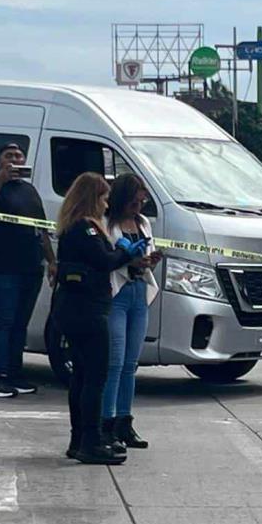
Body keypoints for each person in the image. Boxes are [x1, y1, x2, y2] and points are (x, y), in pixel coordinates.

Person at [52, 172, 148, 465]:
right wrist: (124, 252)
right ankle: (91, 439)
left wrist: (125, 255)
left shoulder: (76, 227)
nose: (107, 205)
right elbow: (103, 261)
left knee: (82, 375)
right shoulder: (86, 229)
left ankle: (79, 437)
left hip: (77, 307)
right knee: (96, 374)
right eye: (104, 198)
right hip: (87, 309)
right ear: (91, 199)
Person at [0, 142, 56, 398]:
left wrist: (51, 261)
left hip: (31, 267)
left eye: (18, 155)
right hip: (4, 268)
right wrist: (0, 179)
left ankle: (15, 372)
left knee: (20, 324)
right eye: (9, 155)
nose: (15, 159)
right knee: (3, 321)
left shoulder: (30, 190)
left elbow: (41, 228)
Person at [103, 174, 162, 450]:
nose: (138, 206)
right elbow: (107, 259)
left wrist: (150, 261)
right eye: (134, 201)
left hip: (139, 289)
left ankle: (125, 421)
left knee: (130, 364)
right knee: (114, 362)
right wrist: (131, 258)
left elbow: (145, 258)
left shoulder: (143, 223)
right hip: (118, 292)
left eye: (142, 201)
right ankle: (107, 422)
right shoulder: (108, 223)